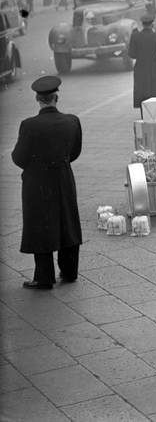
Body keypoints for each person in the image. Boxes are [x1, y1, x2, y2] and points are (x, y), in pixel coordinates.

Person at [12, 76, 82, 289]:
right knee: (67, 221)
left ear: (37, 99)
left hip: (38, 181)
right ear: (56, 97)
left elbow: (18, 157)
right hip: (63, 176)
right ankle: (69, 272)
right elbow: (75, 152)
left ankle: (44, 277)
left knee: (40, 225)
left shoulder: (29, 125)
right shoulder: (72, 121)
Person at [127, 14, 156, 109]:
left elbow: (132, 54)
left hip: (141, 68)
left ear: (142, 24)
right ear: (152, 24)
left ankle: (144, 113)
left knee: (142, 91)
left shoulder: (135, 36)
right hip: (155, 68)